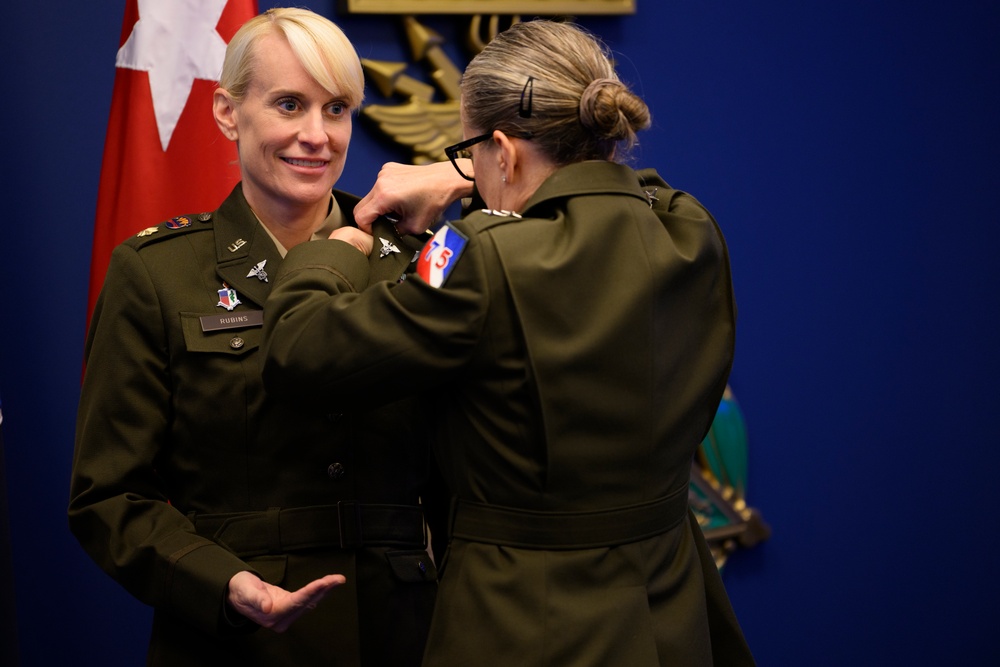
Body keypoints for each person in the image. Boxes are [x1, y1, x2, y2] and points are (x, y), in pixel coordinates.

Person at [262, 18, 755, 667]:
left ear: (505, 148)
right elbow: (643, 189)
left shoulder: (474, 257)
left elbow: (299, 349)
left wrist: (329, 253)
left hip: (529, 623)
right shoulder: (691, 232)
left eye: (469, 151)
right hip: (670, 613)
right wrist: (468, 178)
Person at [68, 8, 444, 666]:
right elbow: (108, 496)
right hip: (235, 643)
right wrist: (223, 582)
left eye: (336, 109)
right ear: (226, 113)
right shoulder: (156, 272)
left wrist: (459, 181)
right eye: (289, 104)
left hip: (406, 633)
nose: (316, 135)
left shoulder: (418, 258)